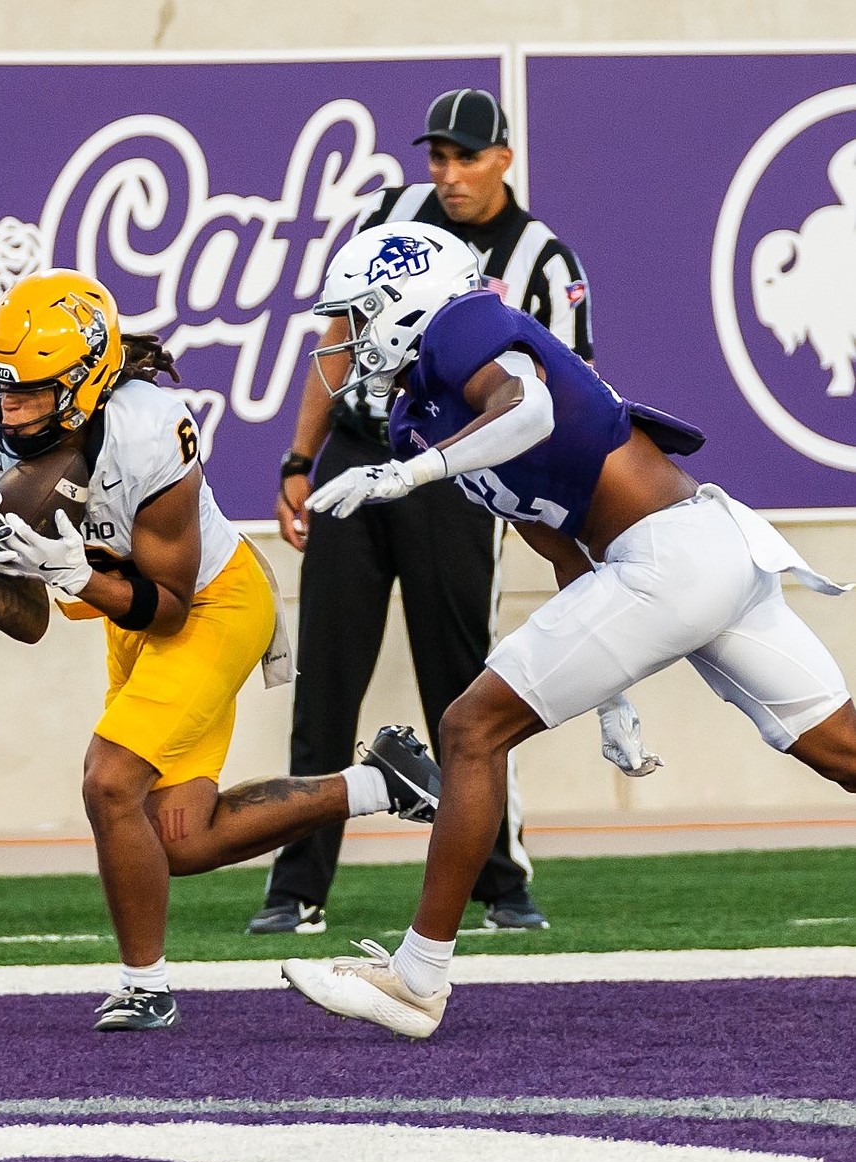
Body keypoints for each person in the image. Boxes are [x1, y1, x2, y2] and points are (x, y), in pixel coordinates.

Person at [280, 219, 856, 1038]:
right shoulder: (421, 411)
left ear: (408, 301)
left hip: (671, 556)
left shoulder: (464, 323)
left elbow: (532, 407)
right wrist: (612, 698)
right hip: (691, 554)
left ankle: (416, 979)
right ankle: (416, 976)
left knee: (469, 729)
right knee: (844, 751)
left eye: (363, 314)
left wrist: (408, 474)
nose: (348, 338)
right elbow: (562, 543)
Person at [0, 267, 441, 1032]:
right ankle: (378, 785)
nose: (9, 410)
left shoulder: (151, 426)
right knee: (177, 838)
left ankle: (144, 986)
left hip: (213, 601)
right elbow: (32, 620)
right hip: (125, 617)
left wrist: (74, 568)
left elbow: (170, 609)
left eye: (32, 392)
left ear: (83, 380)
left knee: (109, 780)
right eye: (0, 389)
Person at [248, 87, 591, 936]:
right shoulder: (389, 212)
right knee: (326, 674)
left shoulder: (543, 258)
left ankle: (500, 881)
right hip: (364, 453)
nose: (448, 174)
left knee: (464, 678)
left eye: (466, 156)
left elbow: (564, 393)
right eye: (437, 156)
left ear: (504, 158)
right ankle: (298, 887)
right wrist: (300, 456)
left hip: (460, 474)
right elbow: (335, 337)